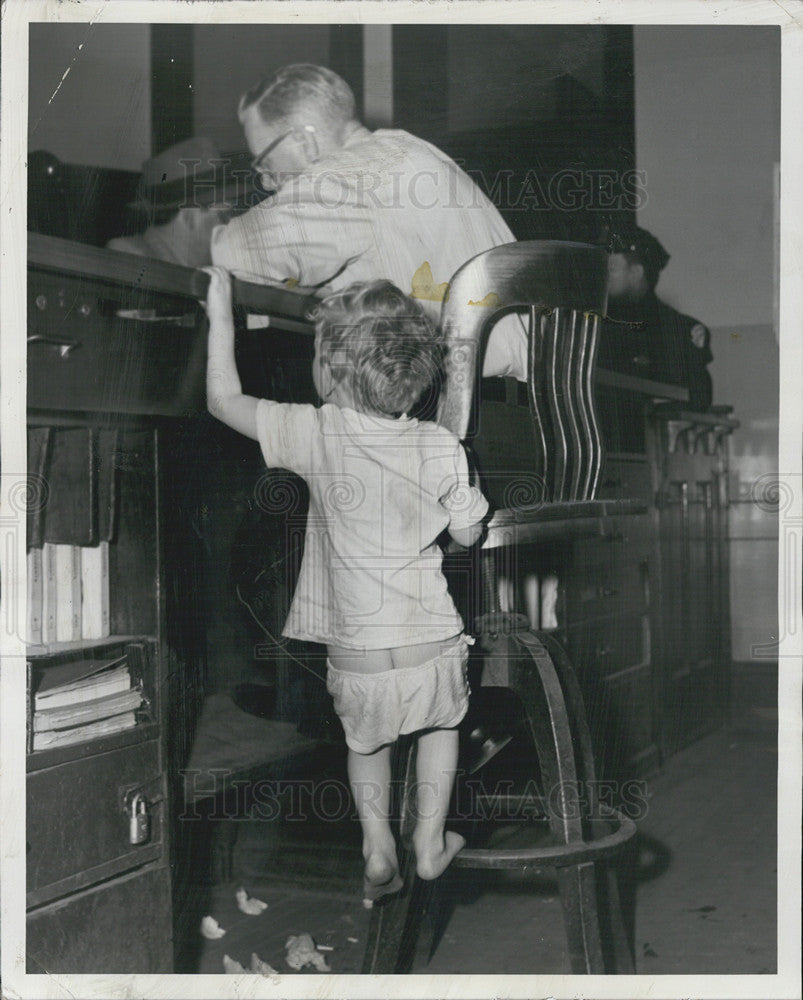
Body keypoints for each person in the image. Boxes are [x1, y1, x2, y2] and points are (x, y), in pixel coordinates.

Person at [204, 266, 489, 903]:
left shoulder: (317, 432)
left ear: (332, 372)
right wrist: (467, 510)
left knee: (368, 746)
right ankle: (429, 841)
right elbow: (469, 535)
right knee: (442, 730)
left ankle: (377, 844)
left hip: (356, 656)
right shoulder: (443, 445)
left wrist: (220, 313)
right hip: (431, 645)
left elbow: (223, 402)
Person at [210, 63, 527, 380]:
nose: (266, 182)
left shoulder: (354, 173)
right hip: (533, 389)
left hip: (470, 403)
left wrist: (194, 228)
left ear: (304, 141)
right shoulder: (408, 149)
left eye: (265, 161)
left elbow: (236, 251)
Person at [600, 224, 713, 411]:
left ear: (636, 273)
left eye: (611, 269)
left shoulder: (679, 329)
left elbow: (698, 398)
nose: (604, 276)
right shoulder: (591, 322)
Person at [107, 137, 242, 267]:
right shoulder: (131, 257)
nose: (232, 228)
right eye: (224, 218)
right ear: (188, 218)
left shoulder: (201, 266)